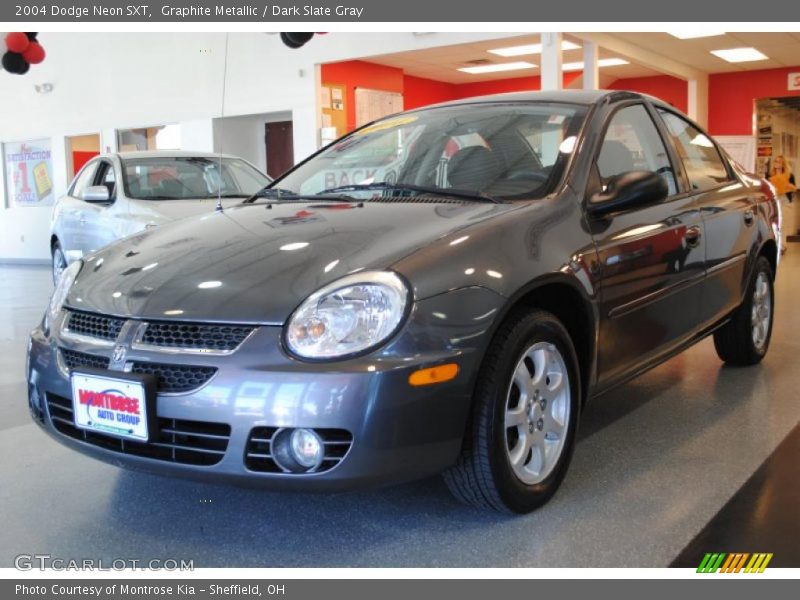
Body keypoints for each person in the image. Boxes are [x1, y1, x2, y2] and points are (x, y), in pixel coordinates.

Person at [769, 155, 797, 254]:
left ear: (783, 164)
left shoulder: (789, 175)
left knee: (783, 224)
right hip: (775, 201)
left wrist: (788, 186)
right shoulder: (770, 176)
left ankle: (782, 246)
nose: (777, 163)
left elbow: (794, 188)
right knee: (775, 224)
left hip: (785, 200)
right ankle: (778, 245)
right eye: (776, 161)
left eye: (779, 162)